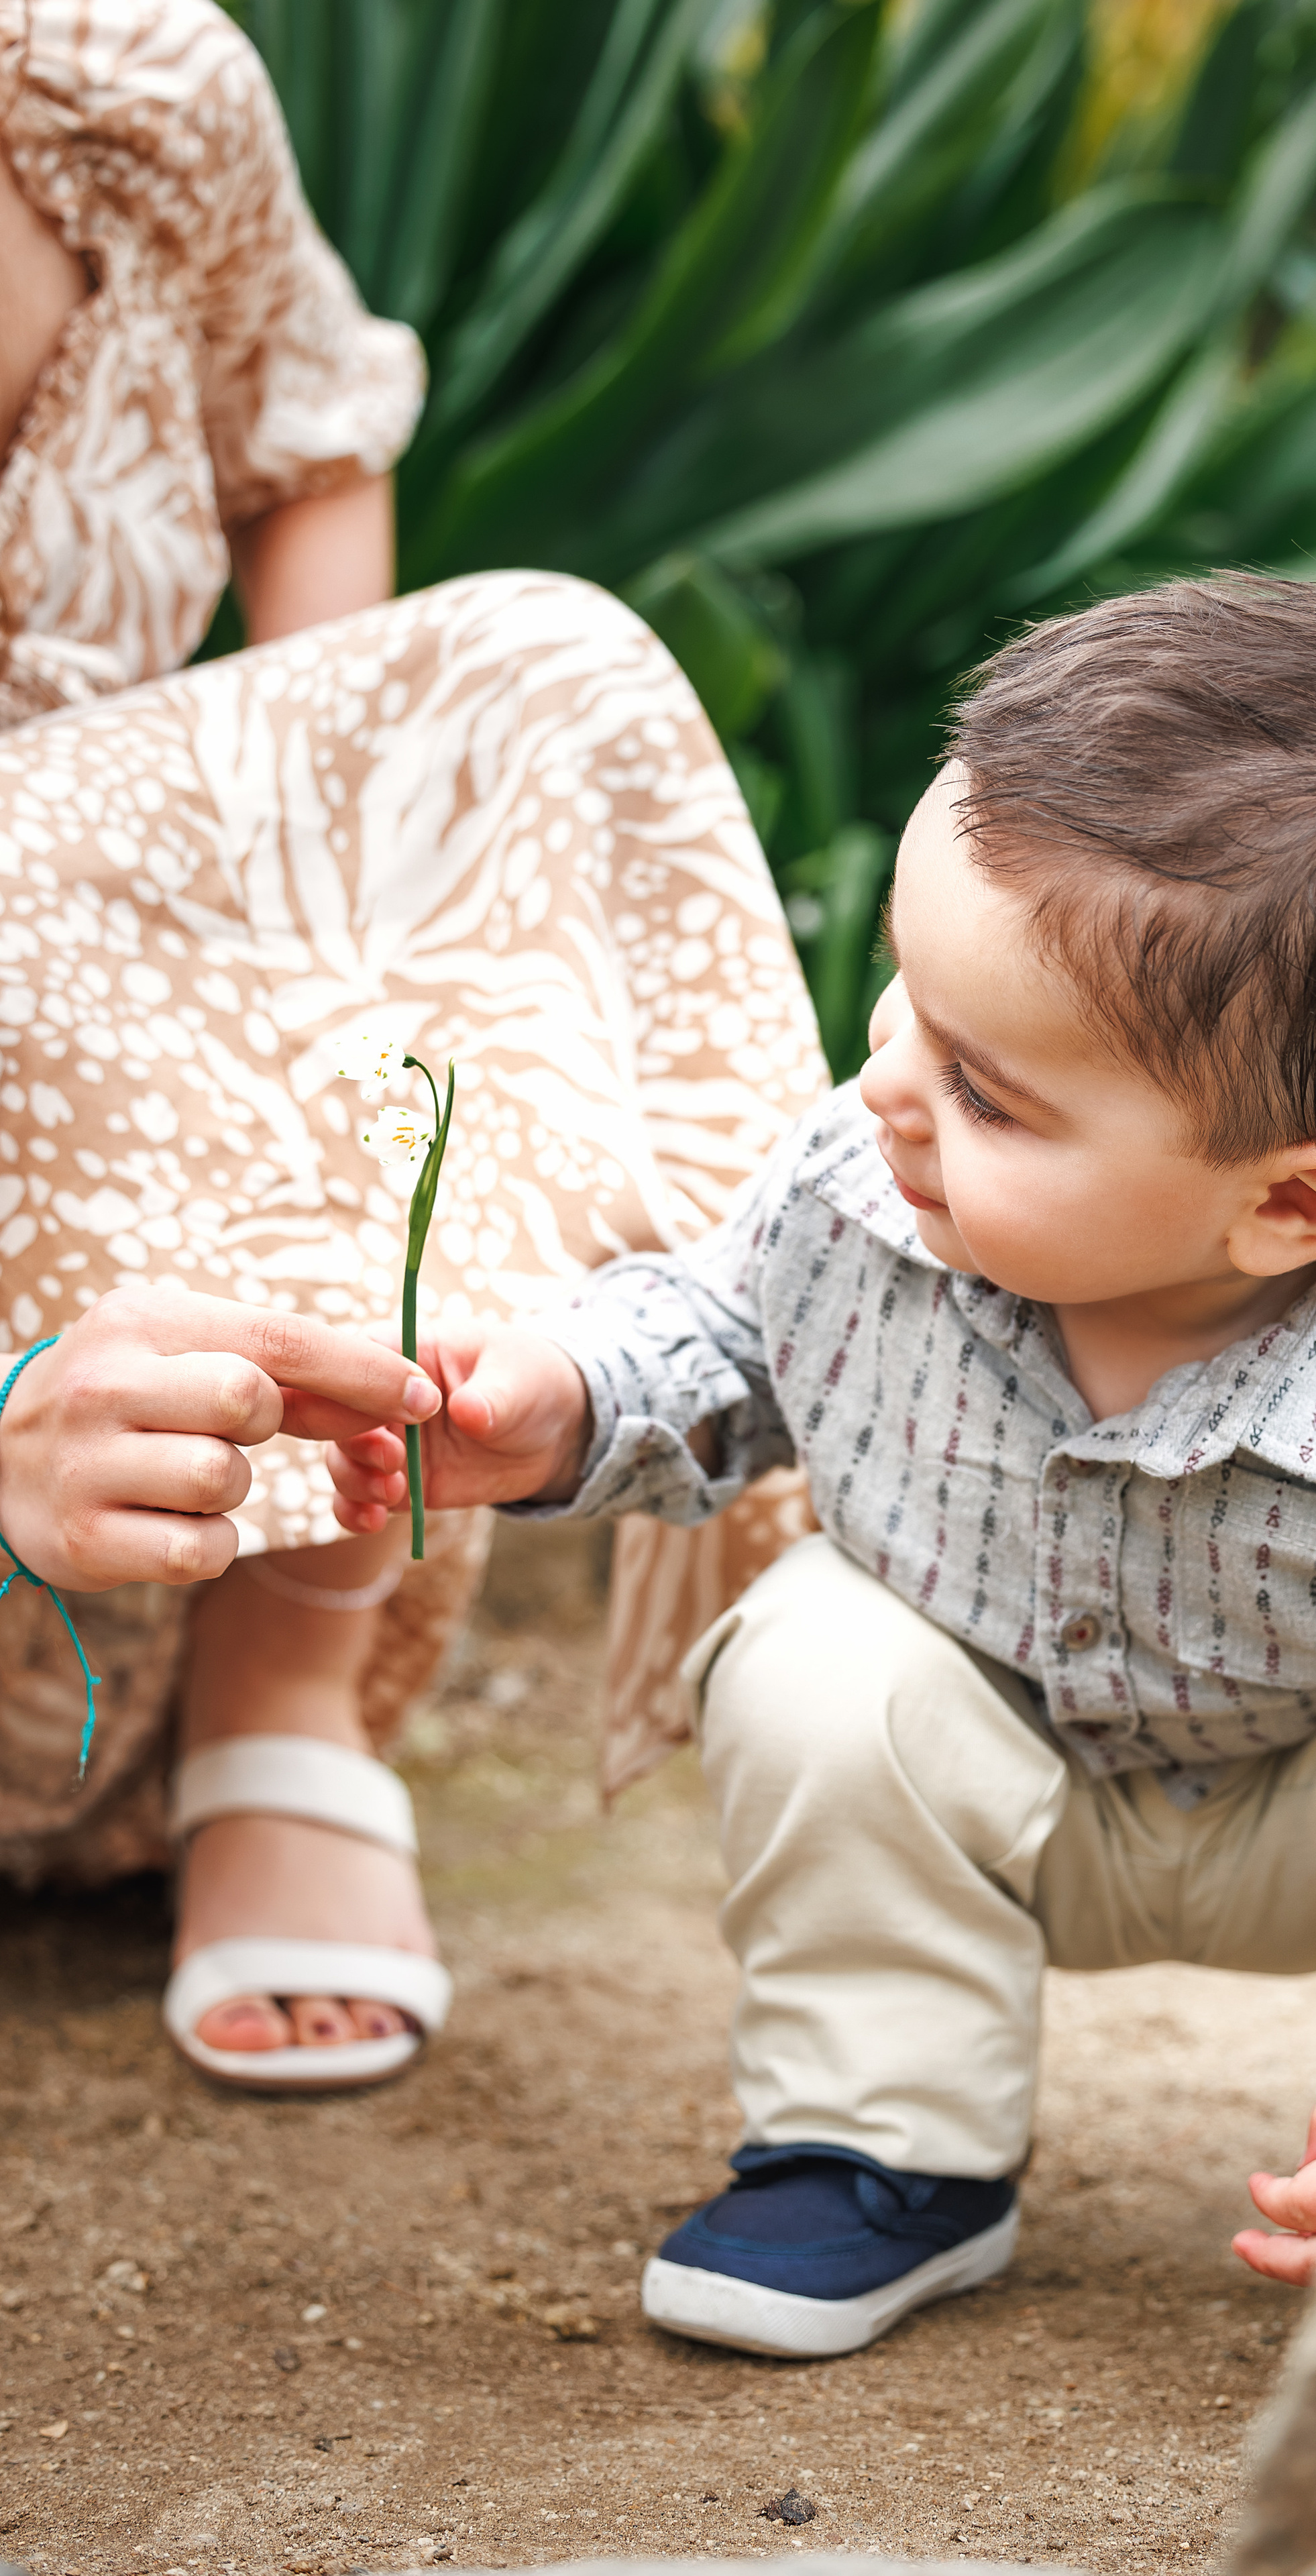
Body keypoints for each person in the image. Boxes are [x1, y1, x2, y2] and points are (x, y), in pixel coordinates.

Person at [332, 576, 1316, 2351]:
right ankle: (881, 2145)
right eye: (904, 1002)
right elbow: (724, 1328)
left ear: (1294, 1203)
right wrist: (561, 1405)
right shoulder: (866, 1180)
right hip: (995, 1770)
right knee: (812, 1640)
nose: (888, 1088)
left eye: (990, 1091)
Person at [0, 0, 825, 2086]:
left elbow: (307, 446)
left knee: (527, 676)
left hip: (100, 929)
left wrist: (304, 876)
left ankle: (289, 1685)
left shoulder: (122, 86)